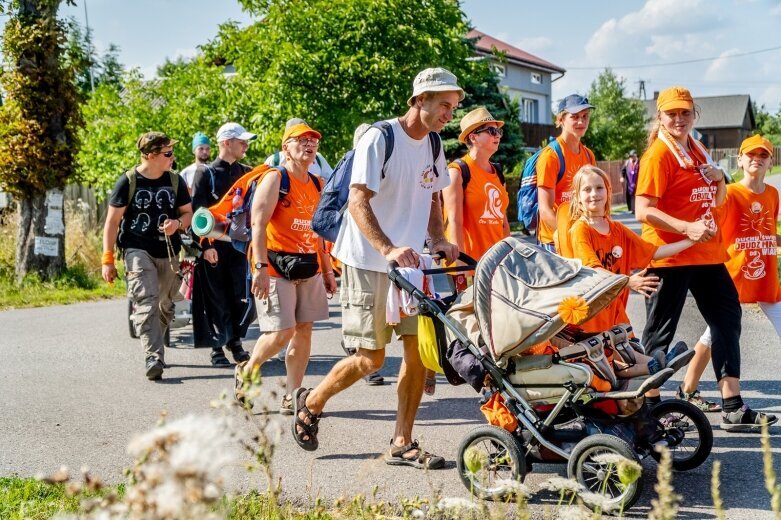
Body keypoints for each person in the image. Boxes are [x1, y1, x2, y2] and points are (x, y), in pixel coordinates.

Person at [290, 67, 461, 469]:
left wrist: (436, 239)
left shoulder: (435, 144)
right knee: (371, 359)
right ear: (419, 100)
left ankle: (402, 442)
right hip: (369, 260)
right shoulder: (379, 138)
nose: (448, 115)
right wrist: (387, 248)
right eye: (443, 106)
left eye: (453, 108)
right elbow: (357, 202)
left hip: (411, 265)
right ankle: (311, 403)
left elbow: (433, 198)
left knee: (417, 353)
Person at [635, 86, 776, 431]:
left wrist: (720, 178)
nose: (679, 119)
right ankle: (649, 408)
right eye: (672, 113)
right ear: (661, 117)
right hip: (670, 255)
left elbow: (715, 194)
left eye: (685, 112)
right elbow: (642, 210)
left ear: (693, 114)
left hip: (707, 254)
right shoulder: (658, 155)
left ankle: (732, 406)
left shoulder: (696, 148)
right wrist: (687, 227)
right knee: (659, 334)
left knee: (727, 318)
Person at [234, 121, 337, 413]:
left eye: (313, 141)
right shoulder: (275, 178)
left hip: (309, 267)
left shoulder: (319, 184)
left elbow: (318, 232)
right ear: (286, 149)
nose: (309, 145)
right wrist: (259, 268)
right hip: (276, 267)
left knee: (305, 330)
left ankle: (293, 394)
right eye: (301, 140)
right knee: (282, 332)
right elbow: (258, 224)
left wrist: (328, 271)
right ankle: (249, 368)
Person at [678, 134, 781, 413]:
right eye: (751, 155)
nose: (756, 160)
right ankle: (687, 388)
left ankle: (687, 388)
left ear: (771, 161)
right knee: (714, 334)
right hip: (734, 277)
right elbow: (714, 224)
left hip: (766, 278)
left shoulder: (773, 194)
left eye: (763, 155)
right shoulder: (732, 193)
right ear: (740, 159)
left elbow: (767, 232)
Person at [567, 165, 694, 377]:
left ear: (608, 191)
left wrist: (691, 240)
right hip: (591, 315)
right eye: (587, 190)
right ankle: (659, 365)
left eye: (599, 188)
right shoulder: (580, 229)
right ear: (577, 197)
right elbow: (594, 271)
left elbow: (653, 252)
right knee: (611, 366)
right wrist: (628, 282)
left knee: (627, 356)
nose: (594, 194)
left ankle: (658, 365)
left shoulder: (616, 228)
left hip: (615, 312)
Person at [102, 132, 193, 380]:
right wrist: (107, 260)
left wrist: (177, 223)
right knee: (146, 301)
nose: (173, 157)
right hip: (137, 249)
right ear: (151, 155)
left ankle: (156, 347)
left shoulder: (175, 181)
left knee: (165, 305)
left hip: (170, 252)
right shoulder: (128, 181)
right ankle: (153, 356)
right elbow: (112, 222)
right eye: (167, 153)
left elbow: (188, 214)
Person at [437, 106, 510, 395]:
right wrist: (459, 269)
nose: (497, 135)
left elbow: (503, 221)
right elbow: (452, 220)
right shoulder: (458, 171)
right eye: (490, 131)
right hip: (470, 264)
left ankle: (496, 378)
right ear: (472, 137)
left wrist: (511, 257)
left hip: (496, 265)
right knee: (471, 326)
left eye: (498, 131)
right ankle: (468, 372)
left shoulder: (497, 171)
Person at [190, 122, 256, 367]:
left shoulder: (247, 173)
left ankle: (235, 341)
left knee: (242, 295)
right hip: (213, 246)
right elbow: (198, 213)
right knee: (216, 297)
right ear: (226, 143)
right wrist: (205, 247)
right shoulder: (205, 173)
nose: (246, 146)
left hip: (240, 246)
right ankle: (217, 346)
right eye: (242, 142)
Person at [537, 94, 596, 252]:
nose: (581, 122)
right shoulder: (551, 156)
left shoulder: (589, 155)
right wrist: (568, 235)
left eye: (585, 117)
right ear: (561, 119)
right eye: (574, 117)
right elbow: (545, 210)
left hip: (580, 238)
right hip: (554, 242)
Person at [264, 118, 334, 180]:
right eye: (302, 139)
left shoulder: (318, 158)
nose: (309, 143)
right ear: (285, 147)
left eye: (312, 140)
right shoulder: (274, 161)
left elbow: (333, 183)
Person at [621, 149, 639, 213]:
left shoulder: (639, 162)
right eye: (631, 157)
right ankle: (632, 209)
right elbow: (623, 170)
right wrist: (622, 177)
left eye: (633, 156)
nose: (632, 158)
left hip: (637, 182)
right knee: (630, 195)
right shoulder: (627, 163)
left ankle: (637, 209)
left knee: (637, 195)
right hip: (629, 182)